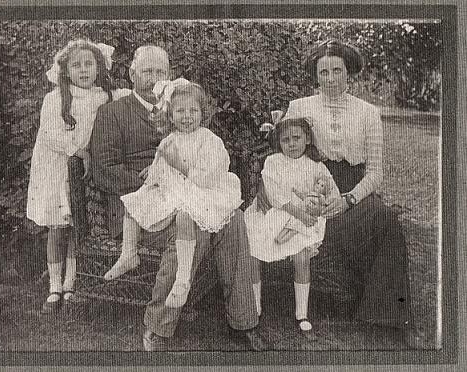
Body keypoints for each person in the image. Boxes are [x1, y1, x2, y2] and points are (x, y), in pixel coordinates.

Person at [89, 45, 269, 351]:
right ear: (132, 74)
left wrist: (183, 185)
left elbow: (202, 160)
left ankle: (243, 321)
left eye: (161, 71)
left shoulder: (181, 106)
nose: (154, 77)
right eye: (147, 71)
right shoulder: (112, 113)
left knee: (234, 219)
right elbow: (104, 169)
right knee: (193, 230)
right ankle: (158, 325)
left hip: (189, 193)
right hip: (142, 204)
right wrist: (161, 187)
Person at [280, 39, 414, 340]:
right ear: (315, 75)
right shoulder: (299, 107)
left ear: (348, 72)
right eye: (323, 72)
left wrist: (349, 198)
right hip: (314, 184)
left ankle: (385, 317)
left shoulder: (368, 112)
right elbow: (287, 157)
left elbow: (376, 172)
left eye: (337, 71)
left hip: (354, 187)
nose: (330, 79)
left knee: (385, 220)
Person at [109, 81, 243, 310]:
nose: (187, 116)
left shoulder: (209, 140)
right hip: (173, 190)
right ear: (170, 116)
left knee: (184, 217)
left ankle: (182, 279)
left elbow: (210, 176)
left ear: (202, 113)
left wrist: (179, 165)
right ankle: (128, 254)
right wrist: (153, 175)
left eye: (193, 111)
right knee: (134, 203)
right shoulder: (168, 140)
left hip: (200, 192)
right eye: (180, 111)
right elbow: (160, 167)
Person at [27, 39, 129, 313]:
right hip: (57, 168)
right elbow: (49, 134)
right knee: (58, 227)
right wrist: (78, 152)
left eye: (89, 64)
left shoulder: (105, 95)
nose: (83, 70)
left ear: (98, 68)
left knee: (77, 226)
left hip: (83, 174)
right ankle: (54, 286)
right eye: (76, 65)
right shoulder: (55, 98)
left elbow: (136, 100)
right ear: (66, 71)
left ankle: (71, 283)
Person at [245, 115, 341, 332]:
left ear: (307, 139)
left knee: (301, 256)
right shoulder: (273, 162)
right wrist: (299, 213)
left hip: (304, 219)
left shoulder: (315, 165)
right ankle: (255, 304)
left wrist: (321, 202)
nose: (291, 144)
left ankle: (302, 313)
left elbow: (331, 191)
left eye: (296, 138)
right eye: (285, 140)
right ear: (278, 142)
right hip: (274, 214)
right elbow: (275, 195)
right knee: (253, 251)